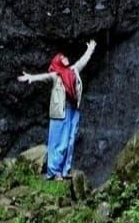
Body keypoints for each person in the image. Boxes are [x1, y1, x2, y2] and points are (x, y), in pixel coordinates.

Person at [18, 39, 97, 179]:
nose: (65, 58)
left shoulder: (73, 71)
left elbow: (82, 61)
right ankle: (55, 172)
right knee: (59, 141)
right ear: (58, 62)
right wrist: (31, 77)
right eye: (62, 58)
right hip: (60, 111)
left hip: (73, 110)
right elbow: (45, 77)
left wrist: (90, 49)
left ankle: (65, 169)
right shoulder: (56, 76)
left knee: (70, 139)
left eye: (65, 57)